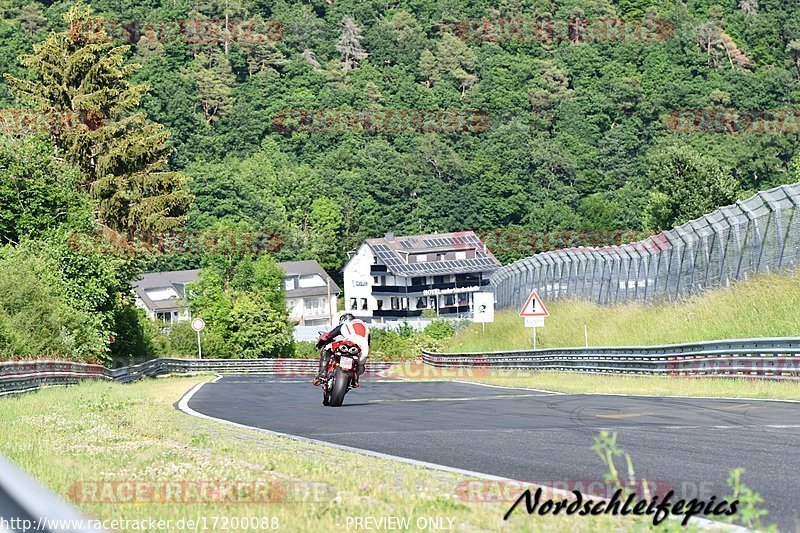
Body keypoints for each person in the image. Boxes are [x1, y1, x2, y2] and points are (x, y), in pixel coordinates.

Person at [314, 313, 370, 387]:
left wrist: (320, 342)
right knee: (361, 366)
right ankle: (355, 379)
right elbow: (368, 343)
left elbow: (328, 336)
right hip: (362, 348)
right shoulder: (365, 327)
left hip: (346, 345)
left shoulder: (344, 326)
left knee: (326, 348)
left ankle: (322, 374)